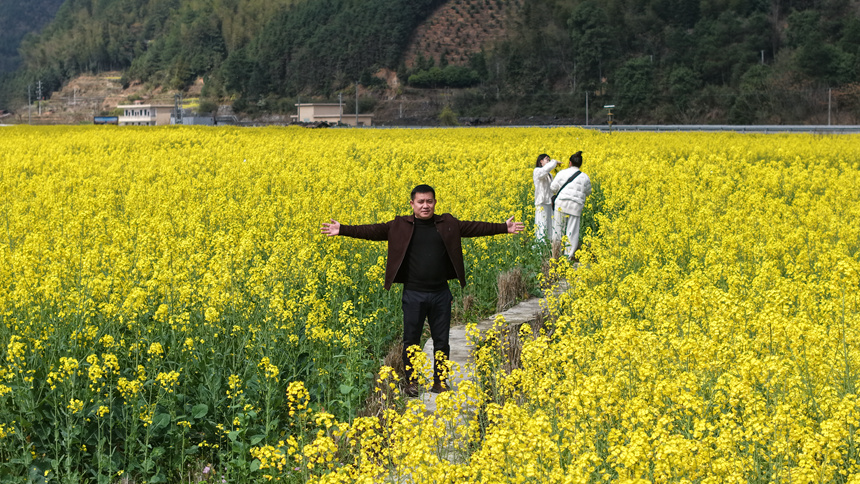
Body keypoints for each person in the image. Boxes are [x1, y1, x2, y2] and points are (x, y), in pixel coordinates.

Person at [321, 184, 525, 397]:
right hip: (413, 294)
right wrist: (342, 229)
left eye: (429, 201)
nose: (425, 206)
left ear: (435, 203)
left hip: (440, 293)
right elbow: (372, 231)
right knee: (411, 340)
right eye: (421, 202)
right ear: (412, 204)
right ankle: (412, 382)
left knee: (442, 341)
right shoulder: (399, 225)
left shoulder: (448, 224)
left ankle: (440, 381)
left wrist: (504, 227)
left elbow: (474, 228)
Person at [550, 151, 592, 259]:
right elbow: (588, 192)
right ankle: (568, 257)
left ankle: (555, 254)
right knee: (572, 232)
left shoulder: (562, 173)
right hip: (576, 206)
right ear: (580, 164)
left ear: (570, 163)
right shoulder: (585, 177)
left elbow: (553, 188)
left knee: (558, 230)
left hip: (561, 204)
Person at [533, 153, 558, 240]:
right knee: (541, 228)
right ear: (541, 161)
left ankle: (549, 250)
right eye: (547, 159)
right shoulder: (537, 171)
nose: (549, 161)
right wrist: (554, 162)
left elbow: (553, 188)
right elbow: (544, 171)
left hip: (549, 203)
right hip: (542, 203)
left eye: (549, 159)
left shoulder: (549, 175)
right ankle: (540, 251)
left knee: (550, 228)